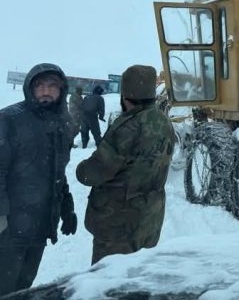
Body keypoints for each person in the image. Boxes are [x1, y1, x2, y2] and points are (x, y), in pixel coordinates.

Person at [76, 65, 176, 264]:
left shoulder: (129, 126)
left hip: (119, 226)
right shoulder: (164, 122)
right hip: (149, 221)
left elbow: (95, 172)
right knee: (134, 279)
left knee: (106, 285)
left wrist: (81, 169)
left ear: (125, 95)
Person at [0, 63, 77, 295]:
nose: (45, 91)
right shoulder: (9, 119)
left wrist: (66, 208)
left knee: (23, 287)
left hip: (40, 225)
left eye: (52, 85)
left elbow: (58, 172)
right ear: (30, 88)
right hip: (10, 227)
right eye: (40, 85)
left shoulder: (62, 123)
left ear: (61, 90)